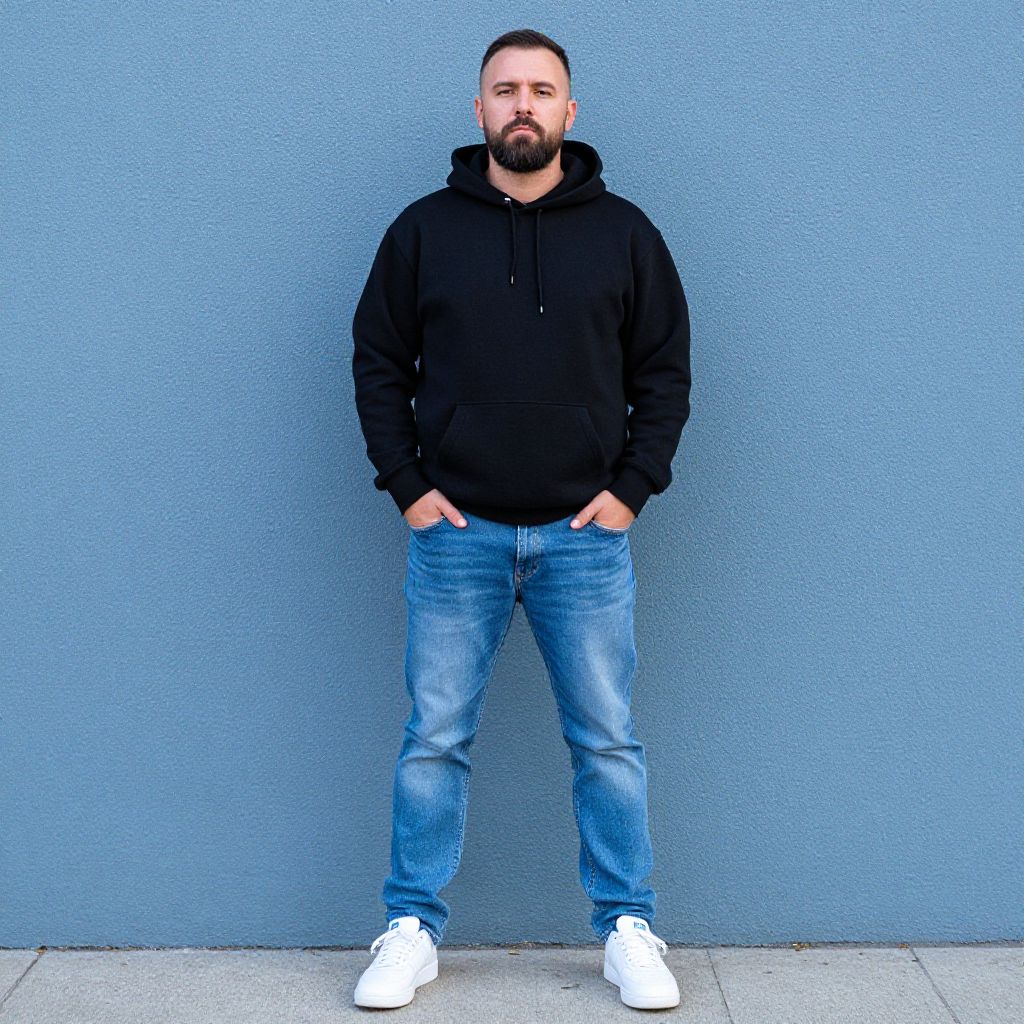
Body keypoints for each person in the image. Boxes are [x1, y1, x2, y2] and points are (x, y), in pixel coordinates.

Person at [350, 27, 691, 1011]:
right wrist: (407, 485)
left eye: (542, 90)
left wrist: (632, 487)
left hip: (585, 539)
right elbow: (378, 361)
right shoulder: (423, 231)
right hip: (455, 536)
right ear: (480, 110)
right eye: (506, 90)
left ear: (569, 111)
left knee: (607, 739)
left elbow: (664, 371)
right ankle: (412, 928)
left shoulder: (625, 233)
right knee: (435, 737)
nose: (523, 105)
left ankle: (626, 926)